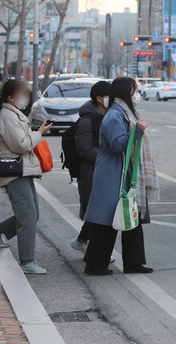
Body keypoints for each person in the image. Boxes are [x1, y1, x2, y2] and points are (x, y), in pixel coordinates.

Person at [83, 77, 159, 276]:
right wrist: (138, 131)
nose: (135, 96)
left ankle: (134, 262)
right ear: (125, 93)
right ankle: (95, 264)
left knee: (130, 214)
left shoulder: (122, 112)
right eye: (133, 91)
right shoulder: (115, 115)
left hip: (125, 171)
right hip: (114, 171)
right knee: (108, 218)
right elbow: (117, 145)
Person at [0, 80, 53, 275]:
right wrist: (39, 133)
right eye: (22, 94)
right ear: (10, 98)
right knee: (28, 216)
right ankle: (26, 261)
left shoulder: (13, 114)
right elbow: (21, 145)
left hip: (23, 170)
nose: (25, 97)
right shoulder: (7, 116)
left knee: (32, 214)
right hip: (15, 171)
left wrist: (37, 132)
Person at [69, 80, 111, 253]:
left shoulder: (106, 116)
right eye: (111, 96)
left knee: (97, 211)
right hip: (90, 173)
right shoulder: (87, 120)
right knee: (96, 212)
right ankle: (97, 254)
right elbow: (84, 148)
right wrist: (106, 157)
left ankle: (81, 240)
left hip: (102, 170)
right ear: (100, 99)